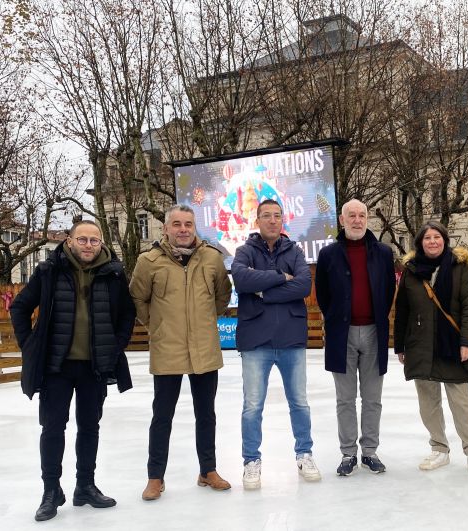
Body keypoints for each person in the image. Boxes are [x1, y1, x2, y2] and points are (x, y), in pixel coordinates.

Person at [10, 220, 135, 522]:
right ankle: (51, 491)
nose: (88, 245)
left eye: (94, 240)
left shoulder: (114, 274)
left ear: (101, 242)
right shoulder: (49, 271)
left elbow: (127, 314)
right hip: (57, 367)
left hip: (94, 367)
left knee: (90, 427)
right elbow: (19, 307)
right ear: (70, 240)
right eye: (83, 239)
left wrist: (114, 347)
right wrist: (31, 345)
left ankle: (85, 486)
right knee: (53, 429)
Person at [130, 204, 233, 501]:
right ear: (166, 228)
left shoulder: (212, 258)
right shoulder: (149, 261)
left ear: (194, 227)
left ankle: (208, 470)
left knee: (206, 413)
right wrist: (157, 325)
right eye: (177, 224)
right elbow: (138, 297)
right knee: (162, 415)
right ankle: (155, 477)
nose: (183, 229)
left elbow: (222, 296)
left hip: (204, 348)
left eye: (188, 224)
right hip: (167, 349)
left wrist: (203, 322)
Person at [231, 199, 319, 489]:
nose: (272, 220)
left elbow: (303, 285)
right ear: (257, 221)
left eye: (277, 216)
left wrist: (264, 293)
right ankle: (251, 461)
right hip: (256, 340)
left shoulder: (294, 250)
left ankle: (304, 453)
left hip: (291, 339)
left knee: (300, 403)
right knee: (252, 406)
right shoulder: (244, 251)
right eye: (266, 216)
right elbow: (242, 280)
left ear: (283, 220)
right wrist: (280, 277)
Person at [393, 221, 468, 475]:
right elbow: (402, 309)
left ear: (445, 240)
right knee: (428, 402)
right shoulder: (411, 271)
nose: (432, 241)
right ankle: (439, 448)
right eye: (427, 238)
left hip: (452, 345)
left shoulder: (459, 268)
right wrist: (400, 345)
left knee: (462, 402)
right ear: (420, 243)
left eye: (437, 237)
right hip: (420, 346)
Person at [315, 199, 396, 476]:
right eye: (352, 215)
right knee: (345, 399)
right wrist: (338, 318)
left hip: (374, 332)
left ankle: (370, 452)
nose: (357, 220)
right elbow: (323, 295)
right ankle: (348, 453)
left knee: (373, 398)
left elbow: (387, 293)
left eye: (362, 215)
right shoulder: (328, 255)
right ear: (342, 220)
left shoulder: (383, 253)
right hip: (342, 335)